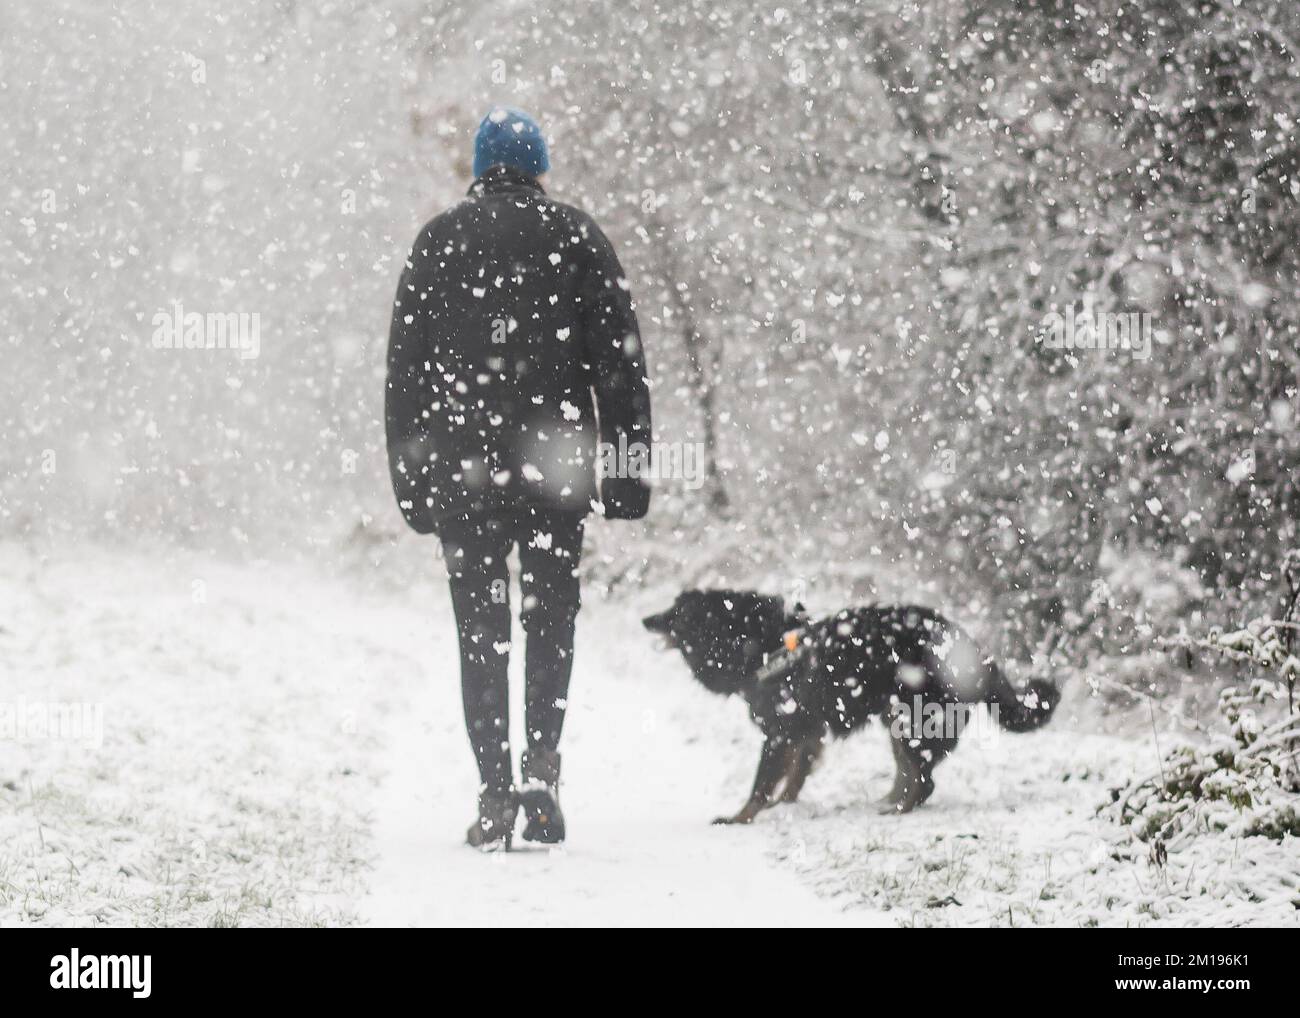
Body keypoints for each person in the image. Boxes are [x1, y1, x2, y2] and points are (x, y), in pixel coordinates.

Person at [385, 106, 652, 850]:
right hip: (553, 468)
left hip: (464, 475)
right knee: (550, 620)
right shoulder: (576, 236)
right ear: (538, 167)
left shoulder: (438, 243)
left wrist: (412, 483)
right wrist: (626, 475)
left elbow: (403, 377)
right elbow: (620, 366)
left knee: (480, 631)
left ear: (479, 169)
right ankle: (541, 767)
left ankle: (494, 790)